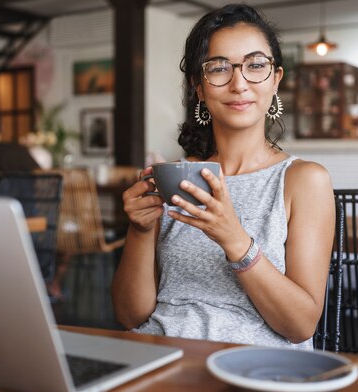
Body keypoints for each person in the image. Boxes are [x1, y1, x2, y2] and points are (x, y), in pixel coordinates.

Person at [112, 4, 335, 349]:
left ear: (276, 79)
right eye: (218, 68)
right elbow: (131, 316)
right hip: (160, 362)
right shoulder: (173, 177)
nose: (238, 83)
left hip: (252, 370)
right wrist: (140, 230)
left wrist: (235, 240)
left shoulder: (304, 180)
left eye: (255, 66)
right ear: (199, 87)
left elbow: (300, 325)